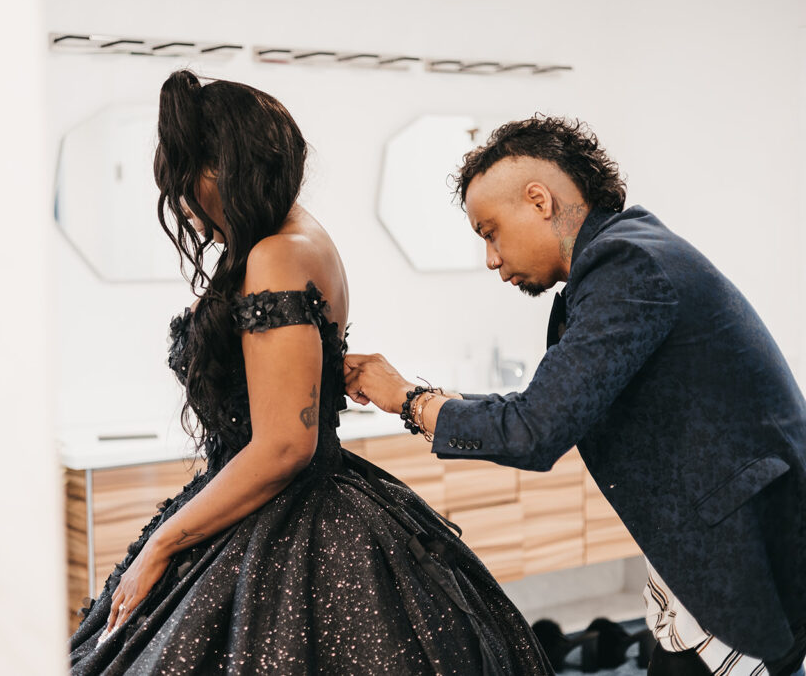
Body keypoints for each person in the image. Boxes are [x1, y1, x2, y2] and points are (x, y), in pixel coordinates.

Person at [67, 71, 553, 675]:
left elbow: (283, 445)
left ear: (222, 170)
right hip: (288, 505)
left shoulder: (280, 252)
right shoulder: (295, 239)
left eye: (186, 182)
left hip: (290, 516)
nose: (187, 206)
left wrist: (165, 542)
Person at [343, 115, 806, 676]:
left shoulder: (626, 266)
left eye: (489, 232)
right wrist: (424, 396)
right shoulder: (626, 255)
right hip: (711, 553)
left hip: (744, 558)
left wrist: (409, 401)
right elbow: (547, 404)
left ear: (539, 200)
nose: (491, 258)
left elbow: (536, 430)